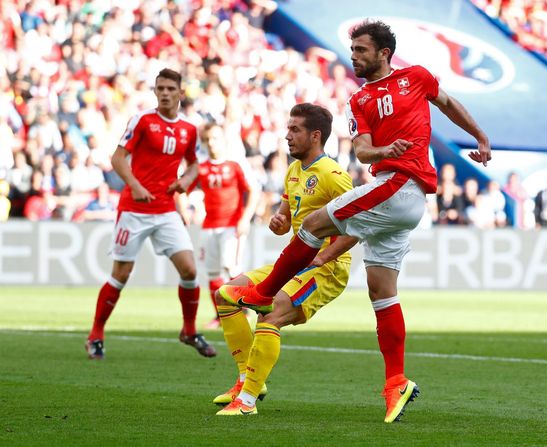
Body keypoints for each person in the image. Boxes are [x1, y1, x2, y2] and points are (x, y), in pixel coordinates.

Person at [219, 19, 492, 423]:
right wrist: (385, 148)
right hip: (398, 196)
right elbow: (363, 152)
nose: (354, 57)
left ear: (384, 53)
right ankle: (396, 381)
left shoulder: (415, 78)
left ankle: (263, 293)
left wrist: (480, 137)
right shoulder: (360, 101)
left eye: (361, 50)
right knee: (381, 290)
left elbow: (448, 103)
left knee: (313, 225)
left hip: (400, 185)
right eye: (352, 51)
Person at [213, 103, 358, 416]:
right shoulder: (294, 171)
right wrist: (278, 221)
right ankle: (246, 380)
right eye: (288, 128)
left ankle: (247, 403)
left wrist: (325, 257)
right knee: (225, 295)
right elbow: (284, 217)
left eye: (295, 130)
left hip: (326, 270)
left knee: (270, 315)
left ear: (315, 136)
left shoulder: (333, 176)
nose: (287, 136)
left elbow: (361, 225)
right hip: (294, 263)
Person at [85, 68, 216, 360]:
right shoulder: (143, 120)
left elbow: (195, 164)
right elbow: (117, 157)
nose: (165, 93)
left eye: (171, 88)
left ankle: (189, 330)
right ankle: (96, 335)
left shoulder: (189, 129)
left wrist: (186, 181)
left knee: (190, 270)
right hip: (134, 209)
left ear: (181, 93)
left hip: (166, 209)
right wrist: (134, 185)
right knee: (121, 274)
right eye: (160, 88)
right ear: (155, 92)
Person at [193, 122, 259, 328]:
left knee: (232, 268)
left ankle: (245, 312)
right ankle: (220, 316)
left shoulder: (235, 164)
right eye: (208, 139)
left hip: (232, 225)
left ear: (223, 140)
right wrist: (188, 209)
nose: (212, 143)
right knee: (212, 274)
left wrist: (245, 218)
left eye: (215, 138)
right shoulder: (200, 167)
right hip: (208, 226)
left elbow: (254, 191)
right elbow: (184, 190)